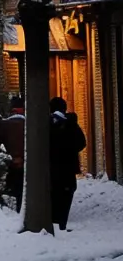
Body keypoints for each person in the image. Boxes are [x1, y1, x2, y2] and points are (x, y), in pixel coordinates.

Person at [51, 98, 87, 229]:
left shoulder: (45, 123)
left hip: (51, 169)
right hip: (68, 168)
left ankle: (55, 223)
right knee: (66, 195)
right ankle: (61, 223)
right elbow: (82, 143)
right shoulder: (71, 124)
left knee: (54, 195)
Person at [0, 93, 26, 208]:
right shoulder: (29, 124)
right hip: (26, 162)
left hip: (10, 162)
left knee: (13, 189)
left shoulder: (4, 124)